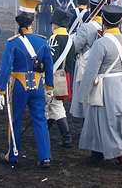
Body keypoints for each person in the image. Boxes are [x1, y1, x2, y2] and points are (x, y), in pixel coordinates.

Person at [0, 0, 54, 168]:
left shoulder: (12, 43)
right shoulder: (42, 42)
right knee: (40, 120)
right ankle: (45, 157)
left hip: (19, 86)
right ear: (32, 22)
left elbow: (6, 68)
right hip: (37, 86)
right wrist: (49, 87)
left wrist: (0, 91)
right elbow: (48, 67)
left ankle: (13, 155)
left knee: (15, 120)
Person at [77, 5, 122, 169]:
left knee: (109, 122)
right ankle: (97, 153)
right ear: (119, 23)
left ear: (104, 22)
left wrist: (82, 95)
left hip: (104, 88)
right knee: (100, 119)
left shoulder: (101, 43)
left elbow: (91, 72)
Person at [70, 0, 107, 119]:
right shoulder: (106, 27)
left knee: (84, 93)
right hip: (102, 66)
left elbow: (75, 47)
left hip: (85, 65)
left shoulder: (86, 27)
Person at [47, 8, 76, 147]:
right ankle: (43, 131)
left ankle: (66, 137)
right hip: (65, 76)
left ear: (56, 25)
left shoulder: (54, 39)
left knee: (55, 105)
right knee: (51, 105)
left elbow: (50, 60)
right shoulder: (70, 40)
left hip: (55, 76)